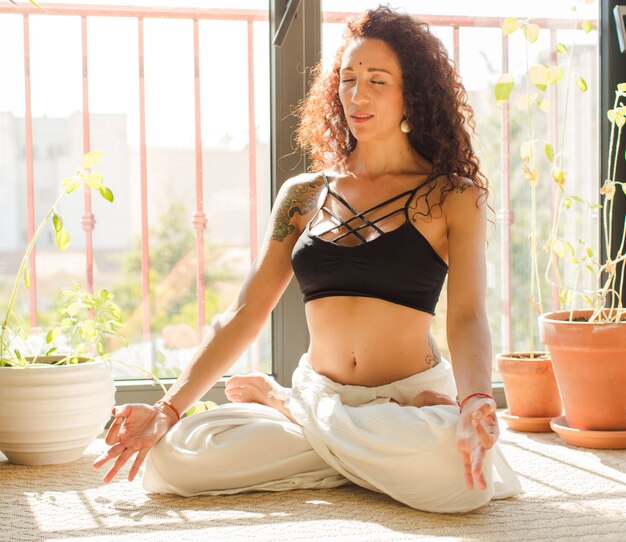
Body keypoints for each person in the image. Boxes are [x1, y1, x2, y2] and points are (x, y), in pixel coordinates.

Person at [93, 5, 521, 513]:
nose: (357, 96)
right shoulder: (303, 194)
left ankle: (293, 415)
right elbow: (246, 311)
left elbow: (468, 314)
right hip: (323, 392)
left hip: (410, 397)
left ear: (414, 94)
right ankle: (321, 425)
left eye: (377, 81)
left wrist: (474, 401)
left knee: (460, 482)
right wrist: (167, 410)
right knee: (173, 459)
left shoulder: (453, 196)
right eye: (347, 79)